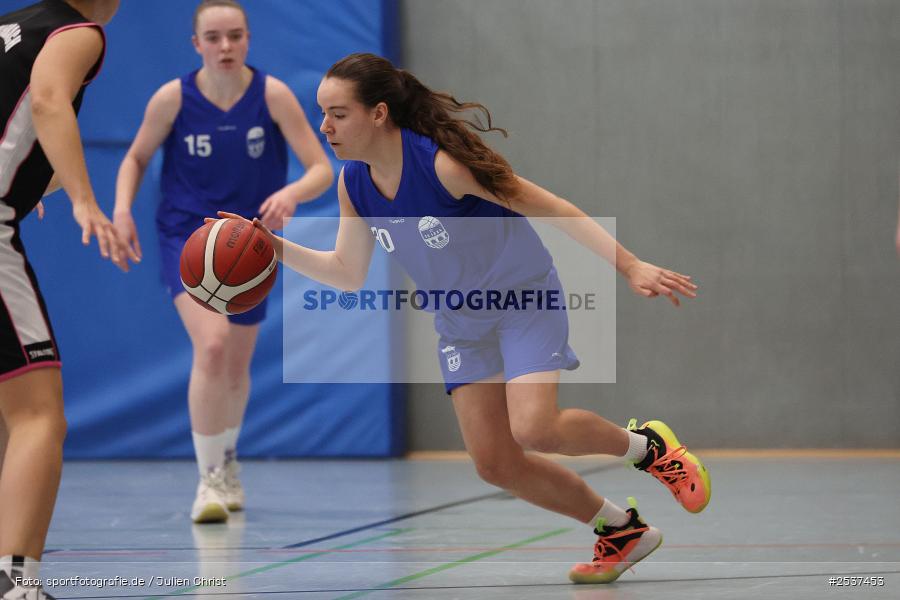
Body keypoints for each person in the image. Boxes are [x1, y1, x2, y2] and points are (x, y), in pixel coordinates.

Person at [219, 52, 712, 584]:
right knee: (495, 463)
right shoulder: (353, 184)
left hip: (523, 300)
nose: (325, 126)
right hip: (460, 322)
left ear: (379, 113)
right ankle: (621, 530)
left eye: (338, 113)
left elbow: (554, 208)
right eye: (322, 113)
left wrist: (631, 264)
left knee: (535, 428)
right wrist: (272, 246)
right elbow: (345, 272)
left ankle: (649, 448)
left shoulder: (443, 165)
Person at [113, 0, 332, 524]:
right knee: (211, 347)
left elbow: (321, 167)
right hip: (188, 237)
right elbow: (137, 156)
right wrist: (122, 209)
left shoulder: (273, 95)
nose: (225, 46)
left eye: (235, 36)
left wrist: (294, 193)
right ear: (197, 45)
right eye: (214, 38)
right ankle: (208, 480)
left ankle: (229, 462)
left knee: (235, 364)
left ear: (248, 39)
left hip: (249, 244)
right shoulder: (173, 98)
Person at [0, 0, 133, 598]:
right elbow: (50, 100)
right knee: (38, 414)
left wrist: (38, 181)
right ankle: (16, 584)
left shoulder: (12, 26)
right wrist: (83, 197)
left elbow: (23, 118)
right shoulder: (79, 32)